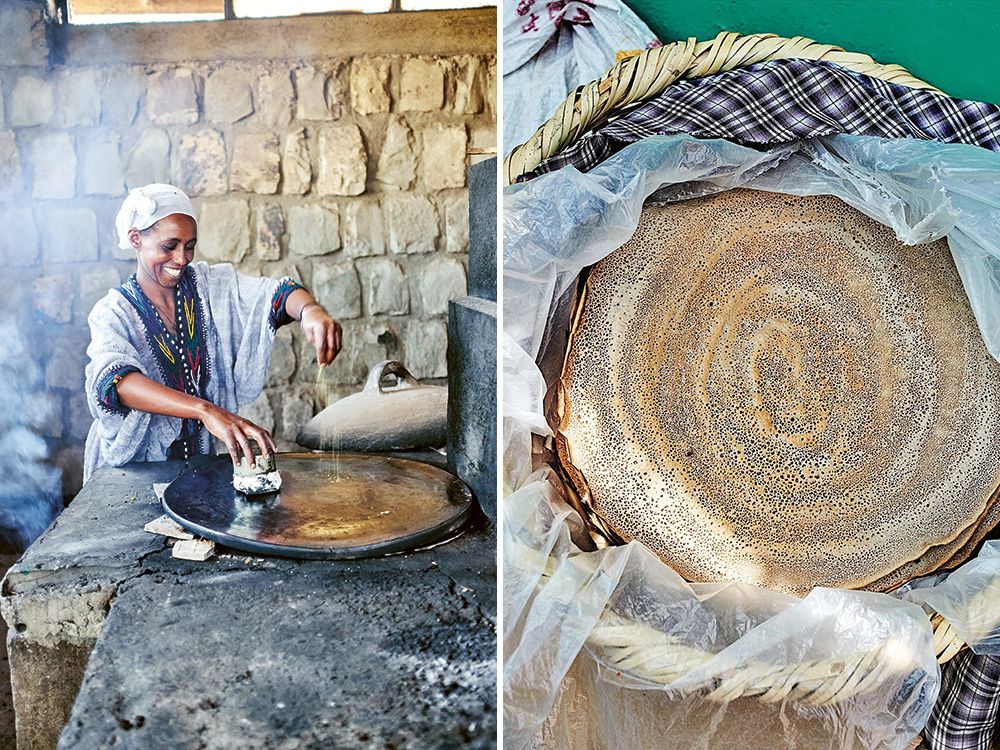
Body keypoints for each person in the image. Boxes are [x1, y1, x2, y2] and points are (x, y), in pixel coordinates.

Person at [83, 184, 341, 482]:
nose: (182, 258)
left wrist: (310, 311)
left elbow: (275, 294)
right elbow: (115, 382)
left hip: (194, 466)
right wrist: (205, 411)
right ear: (136, 239)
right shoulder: (113, 311)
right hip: (127, 473)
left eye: (189, 245)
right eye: (170, 246)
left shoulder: (210, 286)